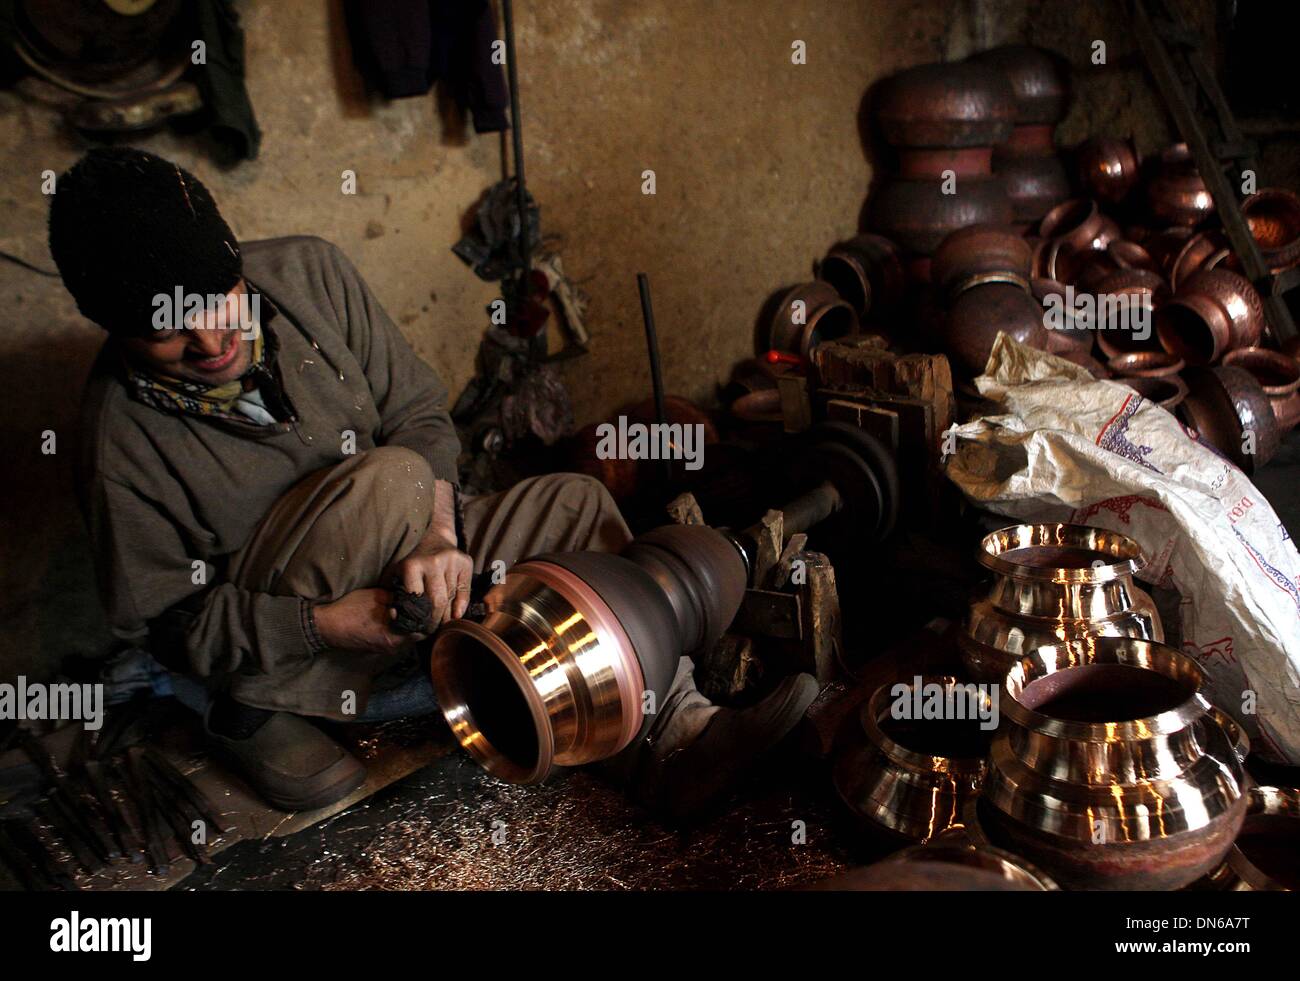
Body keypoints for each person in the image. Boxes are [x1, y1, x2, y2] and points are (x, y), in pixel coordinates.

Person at [50, 148, 817, 818]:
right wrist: (327, 624)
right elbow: (174, 627)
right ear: (115, 328)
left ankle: (671, 733)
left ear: (232, 260)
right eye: (170, 332)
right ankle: (323, 702)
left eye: (221, 297)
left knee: (574, 504)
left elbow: (417, 409)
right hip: (297, 629)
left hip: (407, 549)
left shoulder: (307, 273)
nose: (214, 339)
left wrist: (438, 536)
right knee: (392, 480)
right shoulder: (118, 435)